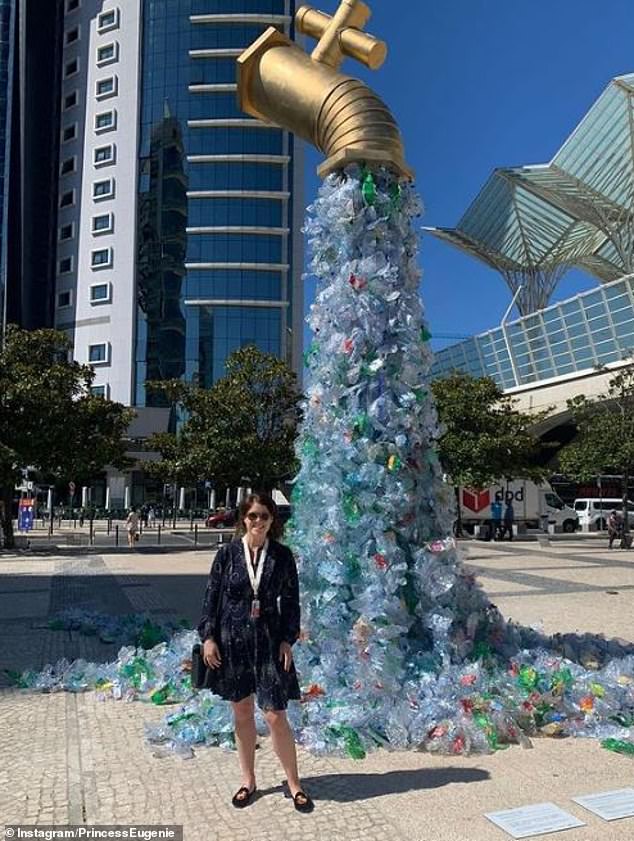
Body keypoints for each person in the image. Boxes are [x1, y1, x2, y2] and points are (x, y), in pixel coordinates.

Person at [198, 492, 313, 813]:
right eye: (252, 516)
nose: (258, 521)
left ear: (272, 519)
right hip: (232, 642)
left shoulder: (281, 556)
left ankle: (294, 783)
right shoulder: (227, 555)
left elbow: (292, 602)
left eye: (264, 515)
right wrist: (208, 637)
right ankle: (248, 780)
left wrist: (288, 639)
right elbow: (211, 598)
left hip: (268, 641)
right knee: (242, 711)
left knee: (276, 715)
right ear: (242, 519)